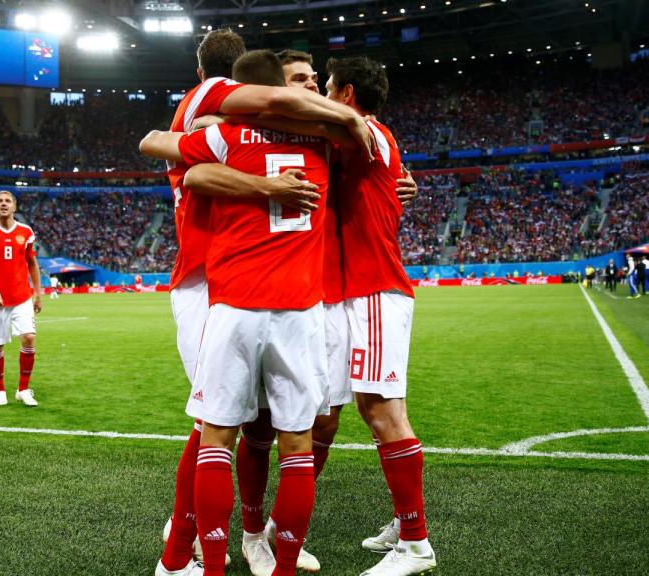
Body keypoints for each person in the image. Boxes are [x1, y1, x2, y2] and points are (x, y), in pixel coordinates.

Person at [147, 28, 376, 576]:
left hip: (245, 293)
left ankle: (226, 544)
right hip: (226, 287)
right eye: (301, 82)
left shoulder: (226, 130)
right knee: (233, 432)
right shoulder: (304, 130)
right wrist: (340, 118)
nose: (309, 90)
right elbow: (176, 144)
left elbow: (161, 144)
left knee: (224, 432)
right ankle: (183, 549)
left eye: (316, 84)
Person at [325, 56, 437, 575]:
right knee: (378, 410)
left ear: (346, 93)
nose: (321, 95)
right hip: (372, 288)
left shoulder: (358, 130)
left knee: (383, 412)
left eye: (326, 86)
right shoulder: (375, 134)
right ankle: (403, 520)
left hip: (373, 288)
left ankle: (415, 543)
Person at [0, 191, 43, 407]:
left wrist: (37, 292)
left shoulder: (26, 232)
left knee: (29, 338)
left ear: (14, 206)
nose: (3, 204)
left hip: (22, 296)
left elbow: (32, 264)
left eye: (7, 201)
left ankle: (23, 389)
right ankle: (0, 390)